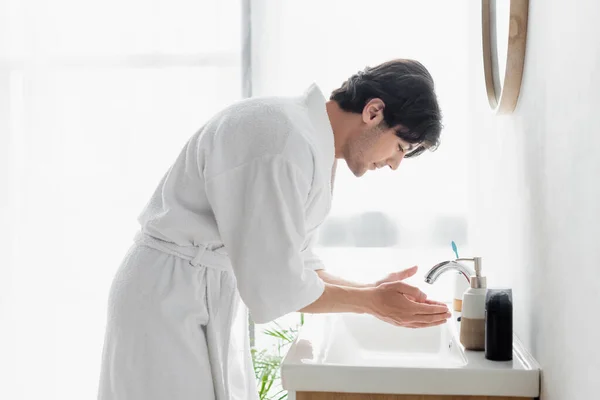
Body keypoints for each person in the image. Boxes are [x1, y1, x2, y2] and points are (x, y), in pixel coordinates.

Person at [98, 59, 450, 400]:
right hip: (167, 297)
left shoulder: (308, 143)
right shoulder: (283, 140)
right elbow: (278, 284)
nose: (394, 164)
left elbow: (299, 265)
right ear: (373, 112)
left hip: (196, 291)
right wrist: (371, 303)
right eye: (401, 147)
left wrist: (371, 291)